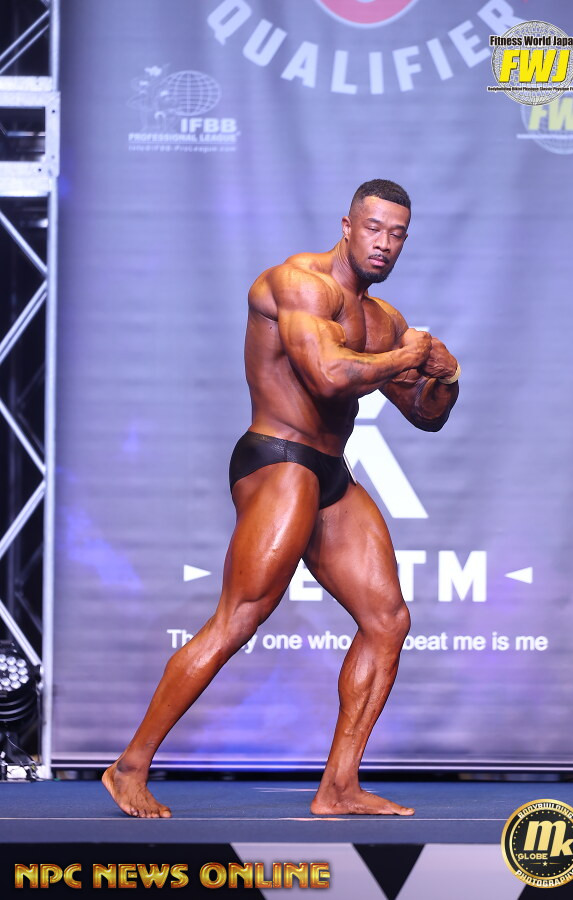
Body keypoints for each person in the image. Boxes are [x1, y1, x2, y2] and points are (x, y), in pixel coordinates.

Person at [103, 178, 460, 818]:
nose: (384, 243)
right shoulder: (298, 283)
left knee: (388, 620)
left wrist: (445, 376)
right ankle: (129, 766)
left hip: (330, 471)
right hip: (278, 458)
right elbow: (327, 375)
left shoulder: (384, 321)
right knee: (240, 617)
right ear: (347, 226)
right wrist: (405, 355)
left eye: (397, 234)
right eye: (373, 228)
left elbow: (424, 416)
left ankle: (339, 787)